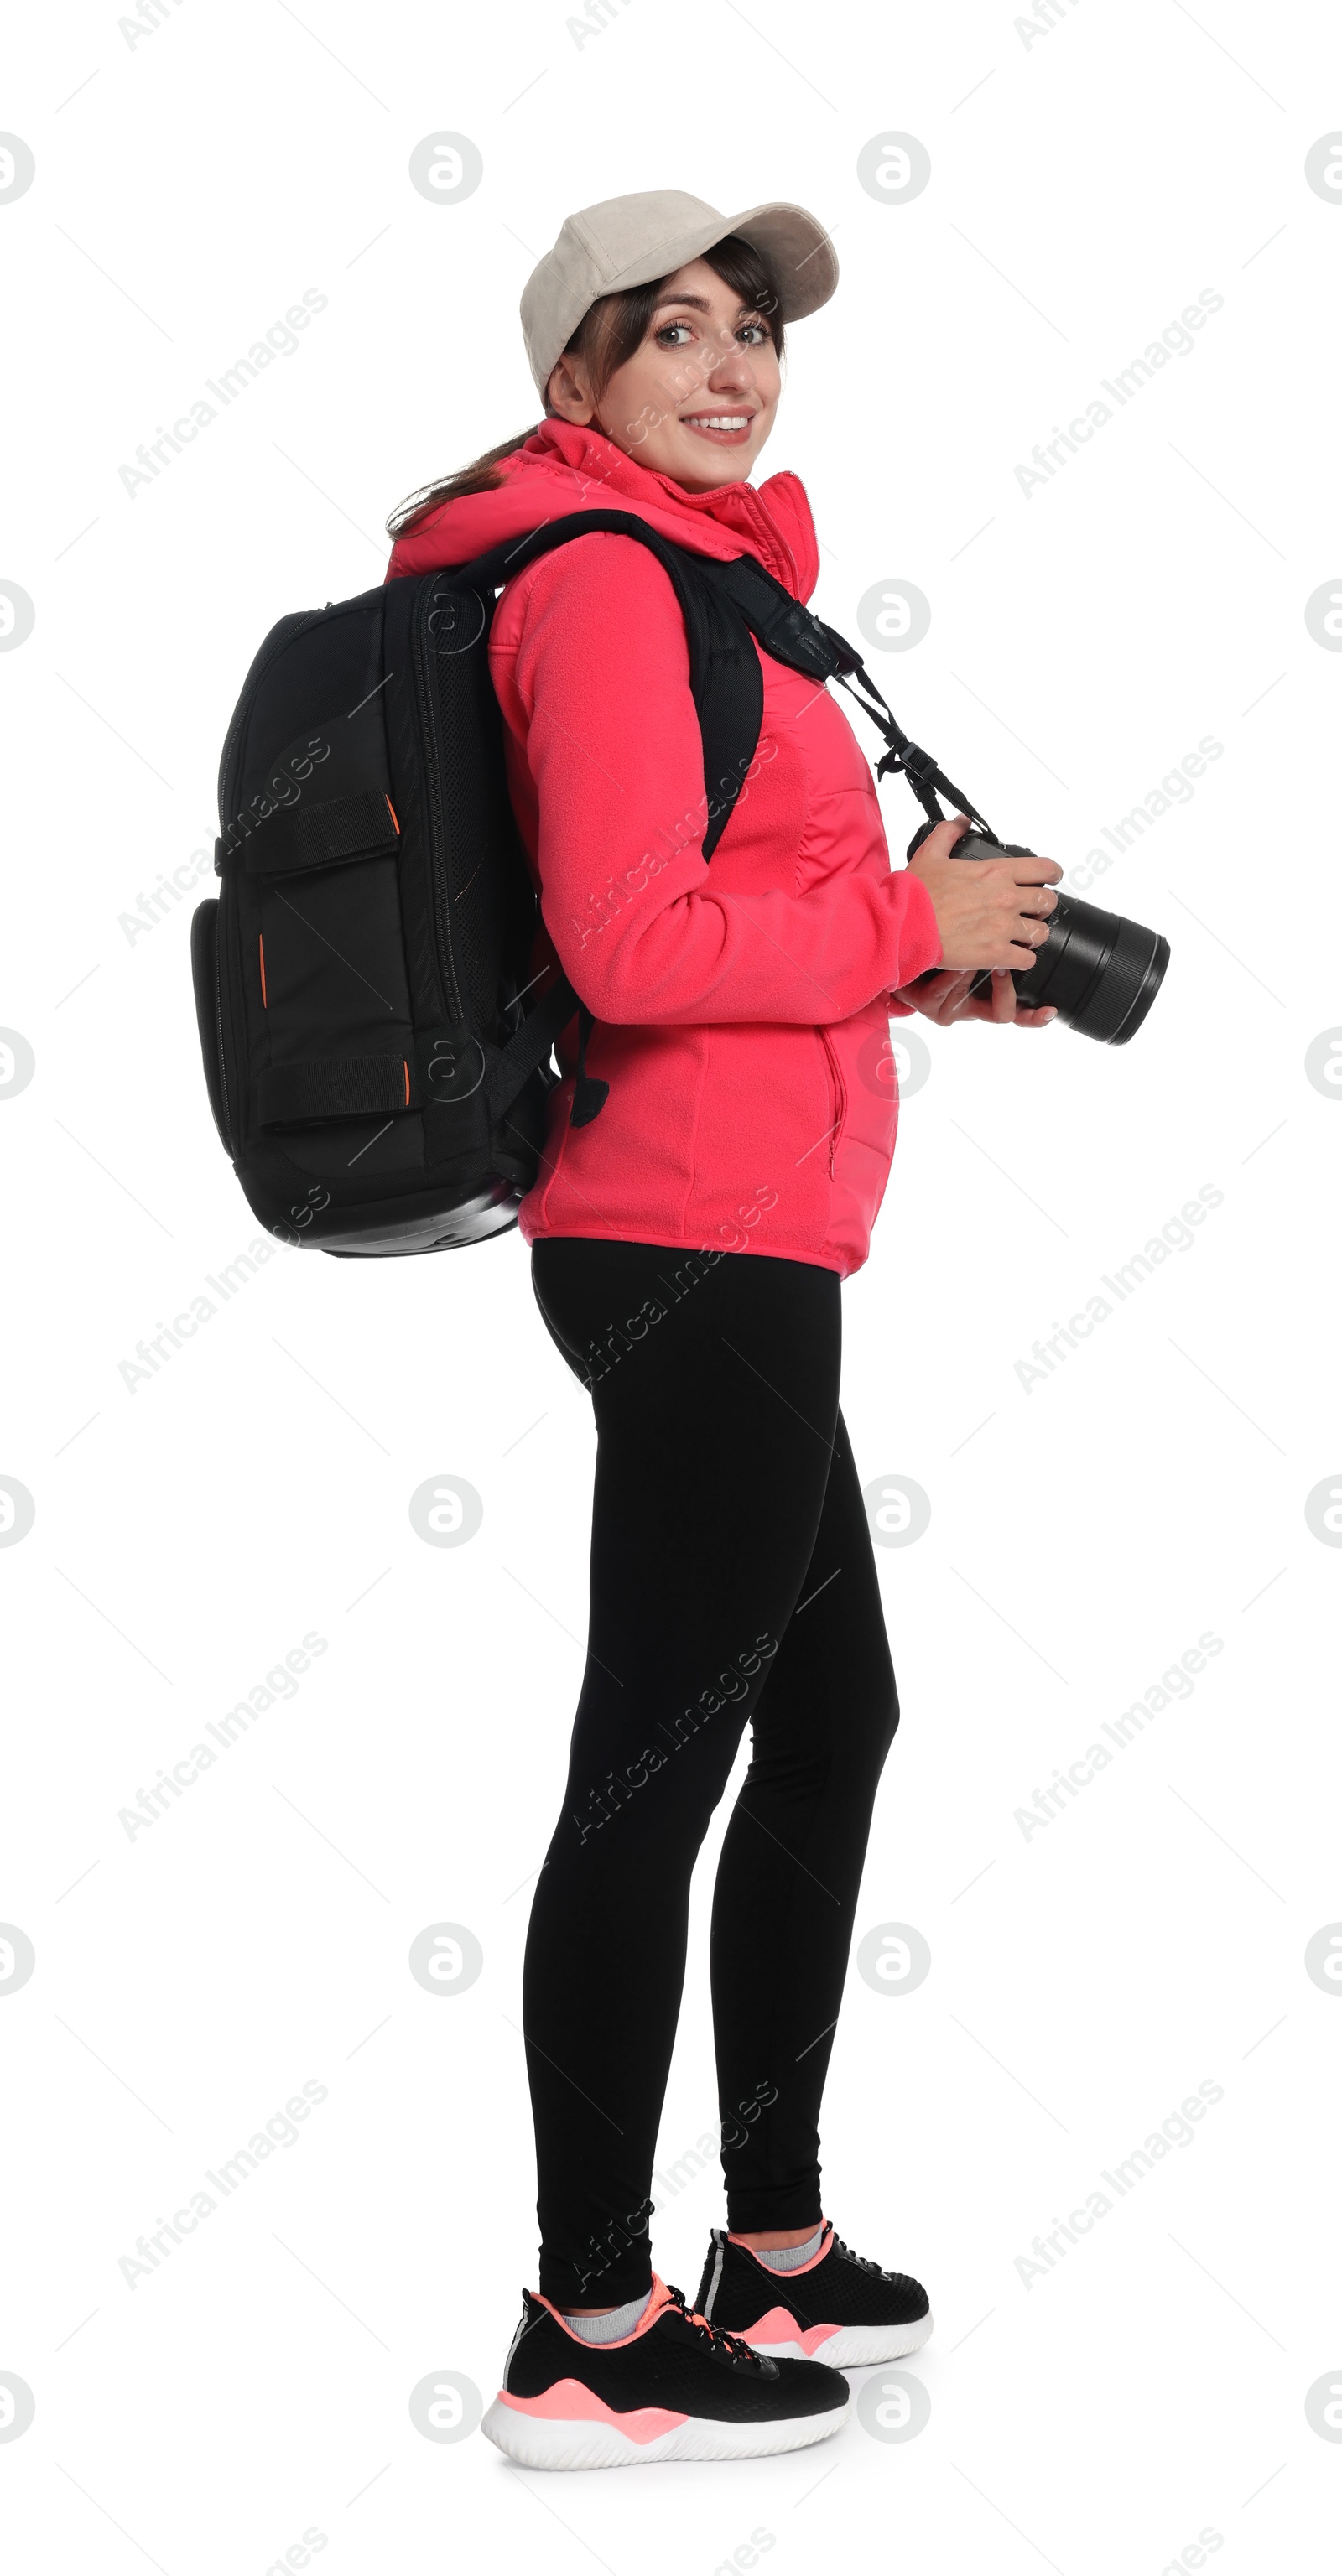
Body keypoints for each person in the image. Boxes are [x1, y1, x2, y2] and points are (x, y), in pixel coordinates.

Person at [386, 190, 1062, 2470]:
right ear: (576, 376)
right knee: (655, 1763)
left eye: (755, 329)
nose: (734, 365)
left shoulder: (717, 589)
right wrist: (897, 919)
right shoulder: (590, 581)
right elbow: (630, 946)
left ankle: (768, 2240)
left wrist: (917, 951)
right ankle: (588, 2316)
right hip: (684, 1230)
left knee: (838, 1710)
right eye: (674, 330)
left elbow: (747, 916)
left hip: (768, 1220)